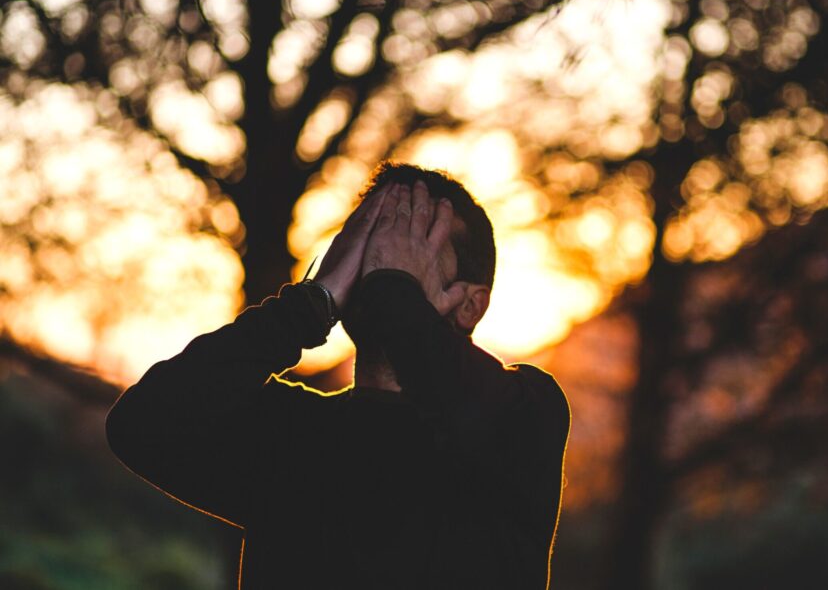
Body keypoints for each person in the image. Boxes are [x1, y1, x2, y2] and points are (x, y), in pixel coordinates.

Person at [106, 162, 571, 589]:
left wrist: (393, 288)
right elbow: (141, 425)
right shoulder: (289, 431)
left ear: (471, 305)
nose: (379, 259)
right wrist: (308, 306)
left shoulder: (524, 414)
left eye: (409, 244)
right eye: (371, 237)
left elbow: (464, 406)